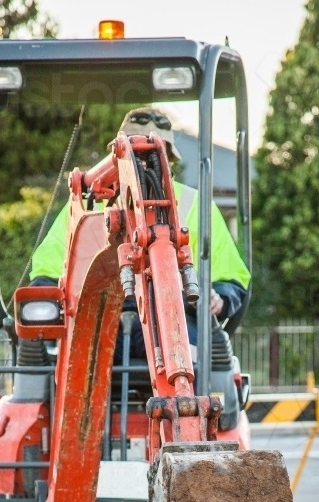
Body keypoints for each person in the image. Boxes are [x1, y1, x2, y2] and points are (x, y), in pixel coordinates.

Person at [29, 108, 250, 362]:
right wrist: (47, 295)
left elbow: (229, 275)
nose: (144, 162)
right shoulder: (87, 205)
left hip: (176, 320)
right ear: (119, 155)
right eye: (136, 152)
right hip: (97, 319)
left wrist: (219, 298)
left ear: (168, 157)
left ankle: (183, 400)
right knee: (69, 362)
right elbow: (49, 266)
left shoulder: (197, 205)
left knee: (192, 363)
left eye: (152, 152)